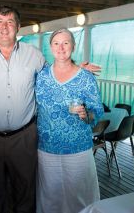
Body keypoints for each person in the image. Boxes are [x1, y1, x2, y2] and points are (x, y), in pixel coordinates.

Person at [0, 6, 100, 213]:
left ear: (18, 27)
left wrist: (78, 69)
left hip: (24, 138)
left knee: (26, 192)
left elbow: (59, 67)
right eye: (0, 21)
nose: (4, 26)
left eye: (10, 22)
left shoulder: (34, 56)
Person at [35, 28, 103, 213]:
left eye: (66, 43)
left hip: (78, 149)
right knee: (50, 197)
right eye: (56, 43)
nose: (61, 47)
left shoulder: (86, 78)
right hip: (47, 148)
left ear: (73, 46)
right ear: (50, 47)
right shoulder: (41, 77)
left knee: (80, 197)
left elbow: (96, 111)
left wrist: (86, 114)